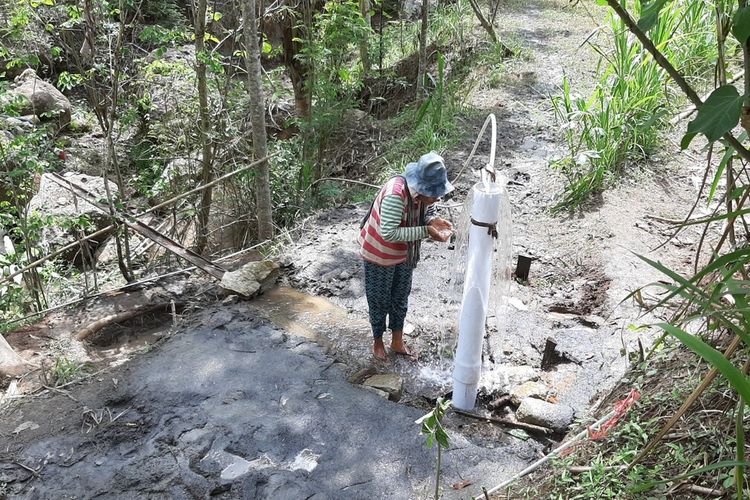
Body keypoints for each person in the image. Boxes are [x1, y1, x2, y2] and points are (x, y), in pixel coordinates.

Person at [358, 152, 454, 361]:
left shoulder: (421, 195)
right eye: (435, 193)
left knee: (400, 296)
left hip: (404, 253)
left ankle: (397, 340)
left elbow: (427, 208)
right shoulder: (396, 194)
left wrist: (432, 221)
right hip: (379, 253)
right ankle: (377, 342)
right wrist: (426, 232)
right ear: (422, 187)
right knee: (379, 299)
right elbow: (389, 233)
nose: (438, 197)